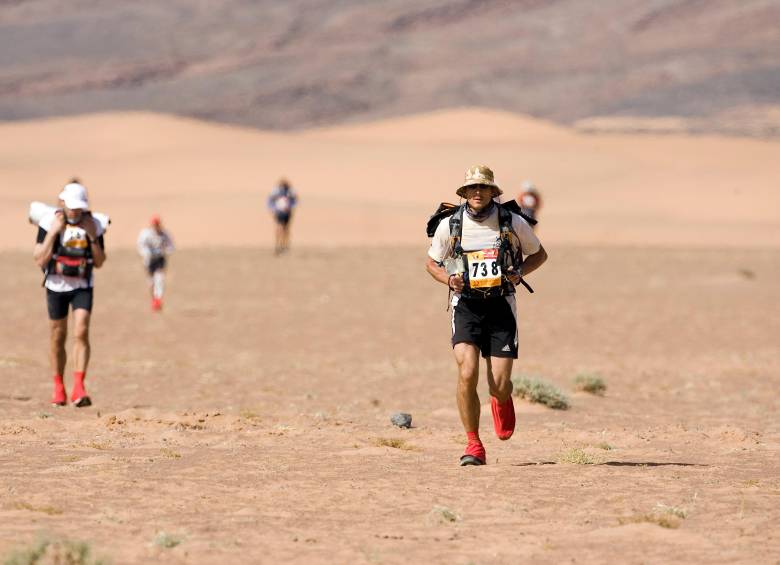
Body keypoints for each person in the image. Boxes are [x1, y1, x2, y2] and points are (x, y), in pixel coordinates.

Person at [426, 165, 547, 466]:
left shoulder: (512, 221)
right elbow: (431, 263)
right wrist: (448, 280)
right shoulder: (450, 224)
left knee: (499, 384)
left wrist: (519, 272)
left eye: (483, 187)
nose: (477, 192)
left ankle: (501, 398)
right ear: (465, 192)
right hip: (465, 306)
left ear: (493, 192)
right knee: (467, 372)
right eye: (472, 188)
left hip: (501, 306)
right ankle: (474, 444)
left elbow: (539, 254)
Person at [33, 181, 107, 407]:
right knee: (58, 335)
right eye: (71, 206)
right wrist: (53, 233)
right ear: (63, 203)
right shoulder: (49, 221)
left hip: (82, 285)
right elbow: (39, 258)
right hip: (56, 285)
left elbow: (100, 261)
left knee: (81, 331)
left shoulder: (94, 224)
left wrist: (92, 236)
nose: (75, 211)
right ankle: (58, 387)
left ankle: (79, 387)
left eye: (79, 207)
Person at [137, 215, 174, 311]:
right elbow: (140, 245)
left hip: (160, 259)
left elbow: (171, 246)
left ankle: (158, 299)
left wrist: (166, 251)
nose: (156, 226)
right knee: (151, 282)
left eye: (157, 224)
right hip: (149, 260)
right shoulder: (146, 234)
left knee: (159, 278)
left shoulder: (165, 234)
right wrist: (146, 253)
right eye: (154, 225)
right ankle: (154, 298)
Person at [267, 179, 298, 254]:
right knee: (279, 229)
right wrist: (273, 210)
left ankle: (284, 245)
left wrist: (290, 208)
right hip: (279, 212)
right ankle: (277, 245)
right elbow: (270, 201)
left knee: (286, 229)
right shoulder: (276, 192)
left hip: (287, 213)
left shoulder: (290, 191)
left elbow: (295, 201)